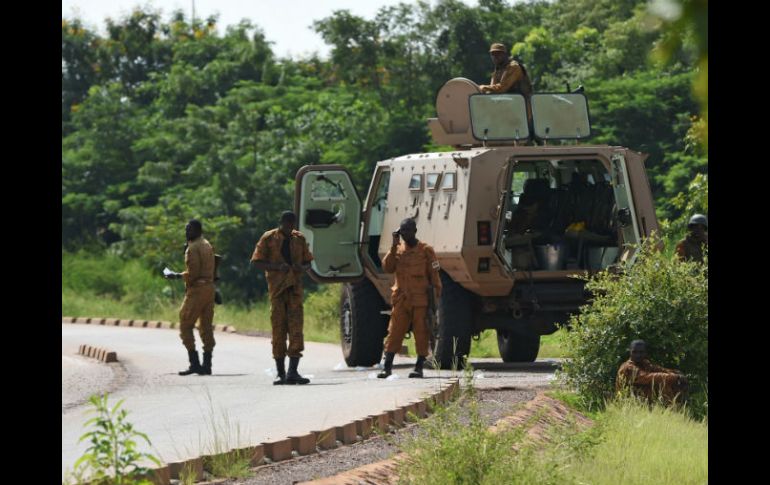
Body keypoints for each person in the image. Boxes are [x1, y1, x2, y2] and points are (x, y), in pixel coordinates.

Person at [251, 211, 314, 385]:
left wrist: (301, 267)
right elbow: (256, 261)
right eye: (286, 223)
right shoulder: (269, 238)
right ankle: (281, 373)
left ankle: (293, 372)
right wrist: (276, 267)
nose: (289, 227)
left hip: (294, 291)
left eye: (292, 224)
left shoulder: (299, 239)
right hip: (277, 291)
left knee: (296, 331)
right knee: (278, 331)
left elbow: (309, 261)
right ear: (281, 223)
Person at [378, 218, 442, 379]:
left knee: (421, 333)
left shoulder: (426, 251)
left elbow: (435, 278)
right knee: (394, 332)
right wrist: (393, 244)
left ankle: (419, 367)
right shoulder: (397, 250)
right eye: (402, 231)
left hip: (421, 301)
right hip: (401, 299)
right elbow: (387, 267)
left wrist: (435, 302)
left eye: (407, 231)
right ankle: (387, 367)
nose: (404, 234)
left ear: (414, 231)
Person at [164, 219, 217, 376]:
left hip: (198, 291)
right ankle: (207, 365)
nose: (186, 232)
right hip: (209, 288)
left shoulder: (192, 248)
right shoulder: (207, 244)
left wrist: (175, 275)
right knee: (206, 326)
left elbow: (193, 273)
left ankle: (194, 363)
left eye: (189, 229)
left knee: (185, 323)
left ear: (197, 230)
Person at [616, 340, 688, 404]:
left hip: (643, 399)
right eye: (634, 352)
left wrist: (676, 373)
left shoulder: (644, 363)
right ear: (630, 352)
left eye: (641, 352)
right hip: (628, 401)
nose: (638, 355)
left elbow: (659, 369)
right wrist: (675, 377)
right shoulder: (628, 367)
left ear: (645, 353)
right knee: (664, 382)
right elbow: (647, 377)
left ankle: (676, 406)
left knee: (671, 382)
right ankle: (671, 407)